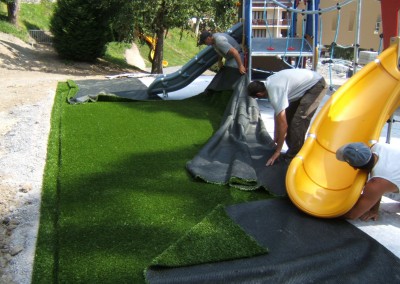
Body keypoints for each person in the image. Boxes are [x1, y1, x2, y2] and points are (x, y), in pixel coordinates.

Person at [247, 68, 327, 166]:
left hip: (316, 86)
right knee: (288, 119)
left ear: (259, 94)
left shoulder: (274, 92)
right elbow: (278, 112)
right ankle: (292, 151)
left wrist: (277, 151)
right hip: (306, 86)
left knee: (297, 123)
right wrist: (276, 134)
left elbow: (283, 125)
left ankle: (294, 158)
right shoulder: (269, 83)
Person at [336, 142, 400, 221]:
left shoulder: (377, 182)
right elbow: (378, 188)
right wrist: (373, 209)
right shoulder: (377, 146)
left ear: (354, 168)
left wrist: (329, 211)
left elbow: (352, 215)